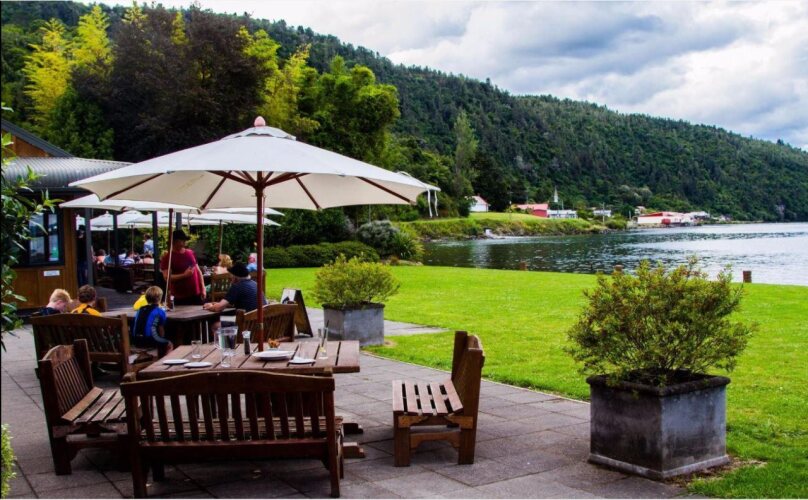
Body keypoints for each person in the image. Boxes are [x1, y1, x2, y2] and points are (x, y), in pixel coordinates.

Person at [160, 230, 206, 305]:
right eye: (182, 240)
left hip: (196, 294)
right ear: (174, 242)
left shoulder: (190, 253)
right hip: (180, 297)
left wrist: (203, 288)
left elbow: (198, 271)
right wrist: (184, 275)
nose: (185, 242)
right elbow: (166, 277)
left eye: (185, 240)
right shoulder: (167, 257)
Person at [132, 286, 172, 357]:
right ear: (159, 298)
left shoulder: (140, 309)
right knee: (168, 344)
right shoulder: (160, 311)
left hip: (135, 340)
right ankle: (163, 360)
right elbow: (161, 329)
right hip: (149, 340)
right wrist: (162, 339)